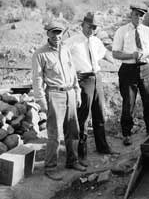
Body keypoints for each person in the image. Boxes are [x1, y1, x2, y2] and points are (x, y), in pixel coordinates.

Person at [32, 20, 86, 181]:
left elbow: (73, 72)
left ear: (63, 34)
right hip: (54, 95)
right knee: (55, 134)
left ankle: (72, 161)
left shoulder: (66, 50)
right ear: (47, 33)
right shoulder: (40, 54)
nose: (57, 36)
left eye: (59, 32)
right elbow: (37, 79)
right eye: (53, 32)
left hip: (70, 93)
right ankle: (50, 167)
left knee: (73, 130)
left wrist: (77, 91)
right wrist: (41, 100)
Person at [65, 12, 118, 166]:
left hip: (97, 78)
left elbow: (103, 54)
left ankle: (103, 147)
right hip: (83, 80)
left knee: (99, 114)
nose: (91, 30)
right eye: (89, 26)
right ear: (83, 25)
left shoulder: (96, 41)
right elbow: (62, 58)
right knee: (82, 117)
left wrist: (116, 62)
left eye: (94, 27)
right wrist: (73, 74)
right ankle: (82, 154)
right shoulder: (72, 42)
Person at [112, 3, 149, 146]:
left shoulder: (148, 31)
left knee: (148, 101)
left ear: (144, 17)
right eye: (136, 14)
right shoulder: (122, 31)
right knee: (128, 103)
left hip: (146, 68)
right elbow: (115, 53)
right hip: (128, 69)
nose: (138, 17)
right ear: (131, 15)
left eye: (141, 15)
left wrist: (146, 54)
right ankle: (127, 133)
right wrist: (131, 55)